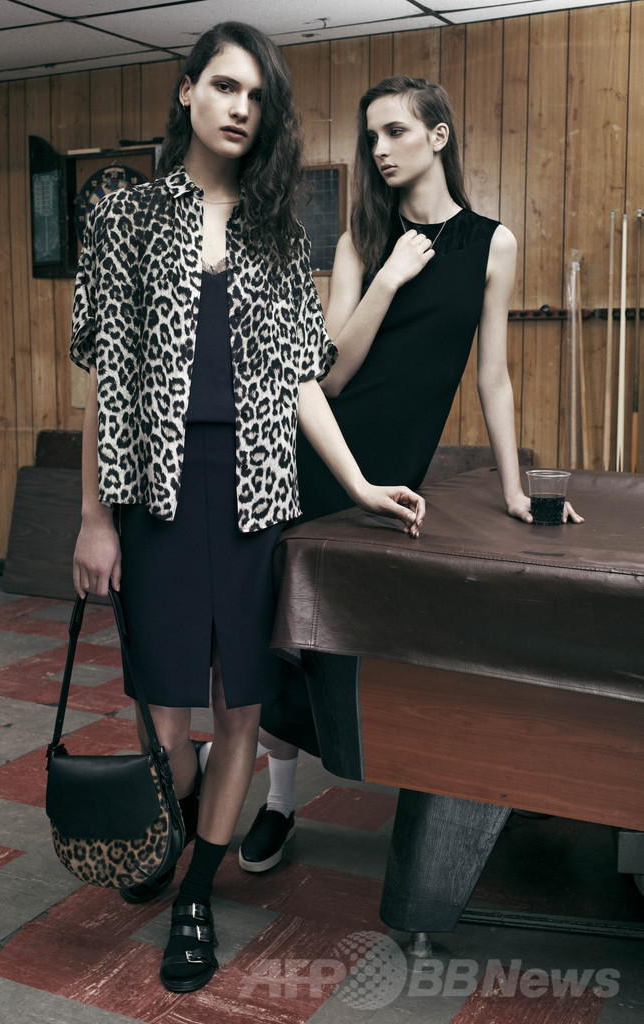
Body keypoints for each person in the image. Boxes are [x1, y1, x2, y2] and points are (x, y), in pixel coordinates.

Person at [70, 27, 424, 996]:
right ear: (187, 92)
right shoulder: (126, 215)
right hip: (155, 493)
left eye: (258, 96)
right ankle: (176, 826)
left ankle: (195, 891)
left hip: (253, 494)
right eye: (225, 86)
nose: (240, 108)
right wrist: (94, 517)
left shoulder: (276, 230)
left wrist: (357, 483)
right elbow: (104, 378)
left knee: (240, 705)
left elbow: (301, 380)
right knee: (164, 709)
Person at [237, 74, 584, 874]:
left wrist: (513, 488)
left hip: (393, 470)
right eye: (371, 137)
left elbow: (492, 376)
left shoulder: (492, 243)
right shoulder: (362, 238)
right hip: (316, 460)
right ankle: (279, 801)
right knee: (282, 633)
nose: (380, 149)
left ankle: (438, 779)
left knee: (358, 637)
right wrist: (388, 277)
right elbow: (327, 376)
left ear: (438, 136)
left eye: (394, 131)